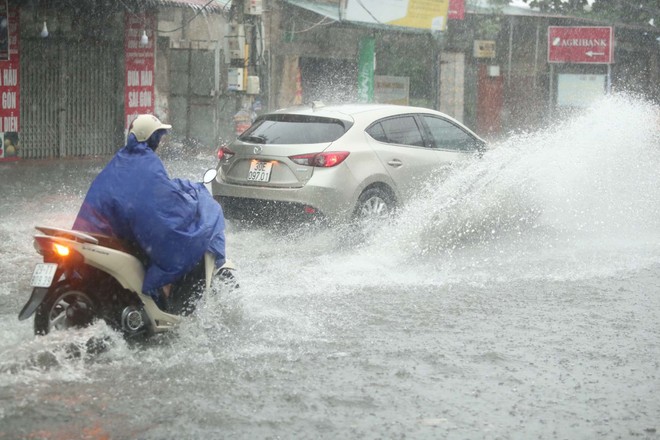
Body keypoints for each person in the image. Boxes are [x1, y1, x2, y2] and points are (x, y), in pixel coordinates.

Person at [73, 114, 226, 312]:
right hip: (116, 235)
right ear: (152, 138)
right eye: (159, 137)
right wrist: (187, 206)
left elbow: (145, 192)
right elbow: (160, 203)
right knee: (180, 243)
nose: (160, 143)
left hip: (99, 232)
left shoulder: (122, 159)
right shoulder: (148, 163)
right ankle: (164, 296)